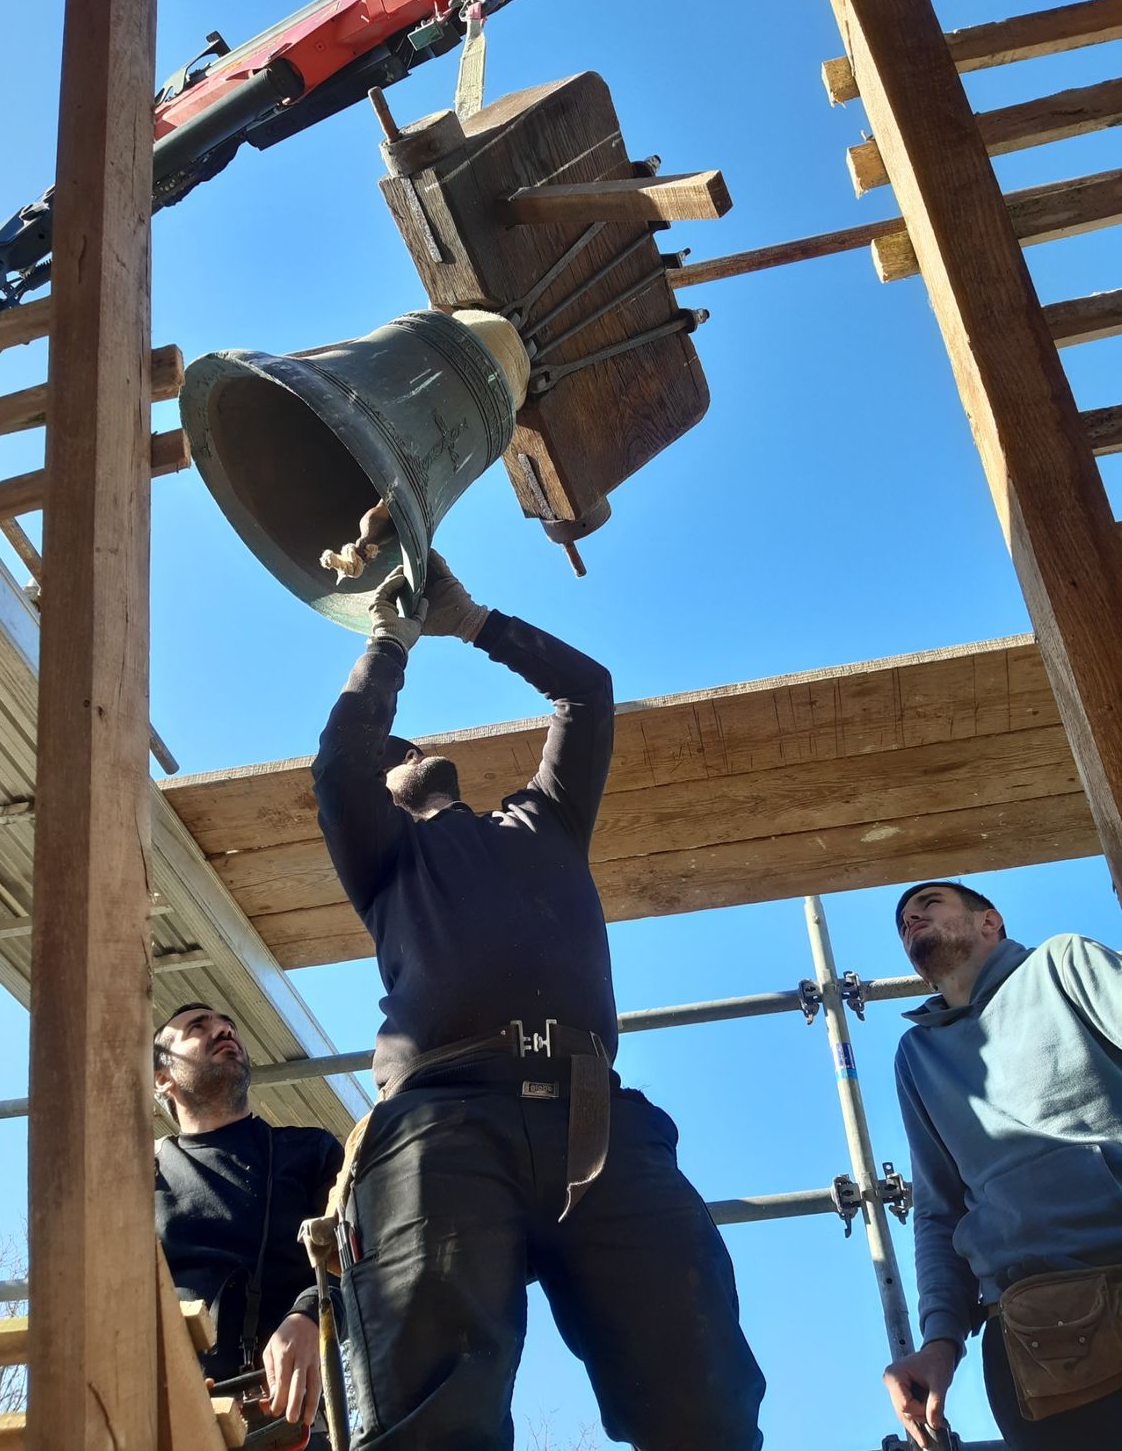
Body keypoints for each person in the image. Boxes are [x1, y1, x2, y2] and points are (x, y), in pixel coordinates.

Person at [311, 553, 765, 1451]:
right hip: (441, 1119)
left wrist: (473, 622)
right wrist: (388, 641)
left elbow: (586, 696)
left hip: (595, 1120)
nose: (408, 753)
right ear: (388, 795)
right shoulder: (386, 863)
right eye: (391, 757)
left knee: (699, 1390)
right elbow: (337, 765)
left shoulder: (543, 819)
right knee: (432, 1410)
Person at [881, 880, 1122, 1450]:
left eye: (928, 906)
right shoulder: (917, 1055)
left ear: (990, 922)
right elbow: (938, 1212)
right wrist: (940, 1341)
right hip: (1034, 1336)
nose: (910, 920)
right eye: (902, 923)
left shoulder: (1064, 963)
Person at [153, 1002, 344, 1438]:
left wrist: (310, 1315)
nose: (222, 1030)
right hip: (167, 1423)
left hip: (289, 1425)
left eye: (228, 1024)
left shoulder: (310, 1152)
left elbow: (361, 1261)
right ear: (162, 1079)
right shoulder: (141, 1178)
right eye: (198, 1027)